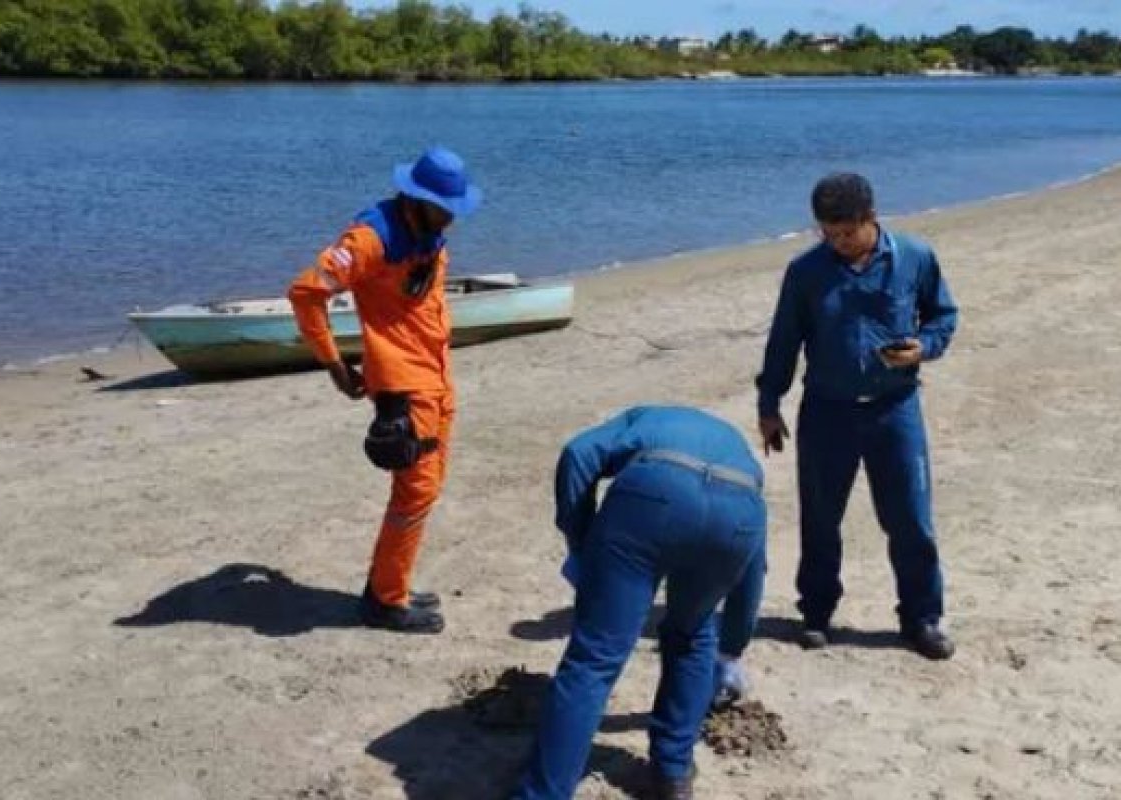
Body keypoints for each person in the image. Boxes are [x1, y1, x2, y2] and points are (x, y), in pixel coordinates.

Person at [514, 406, 767, 800]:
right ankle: (672, 774)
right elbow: (753, 569)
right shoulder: (742, 457)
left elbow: (578, 453)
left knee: (595, 659)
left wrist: (581, 541)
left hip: (654, 496)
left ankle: (543, 795)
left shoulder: (641, 419)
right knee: (693, 635)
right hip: (739, 514)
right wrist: (732, 647)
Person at [756, 172, 959, 660]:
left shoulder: (915, 257)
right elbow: (784, 340)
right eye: (828, 234)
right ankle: (816, 613)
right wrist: (769, 404)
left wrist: (923, 347)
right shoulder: (805, 271)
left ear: (871, 218)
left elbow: (943, 316)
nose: (838, 243)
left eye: (847, 232)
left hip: (895, 410)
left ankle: (922, 618)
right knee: (820, 518)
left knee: (911, 520)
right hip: (827, 412)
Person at [287, 147, 481, 635]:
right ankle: (385, 600)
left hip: (436, 376)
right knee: (415, 491)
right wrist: (334, 365)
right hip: (404, 385)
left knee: (428, 487)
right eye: (444, 209)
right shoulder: (370, 239)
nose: (451, 220)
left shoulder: (428, 232)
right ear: (416, 199)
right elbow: (306, 293)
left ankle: (390, 583)